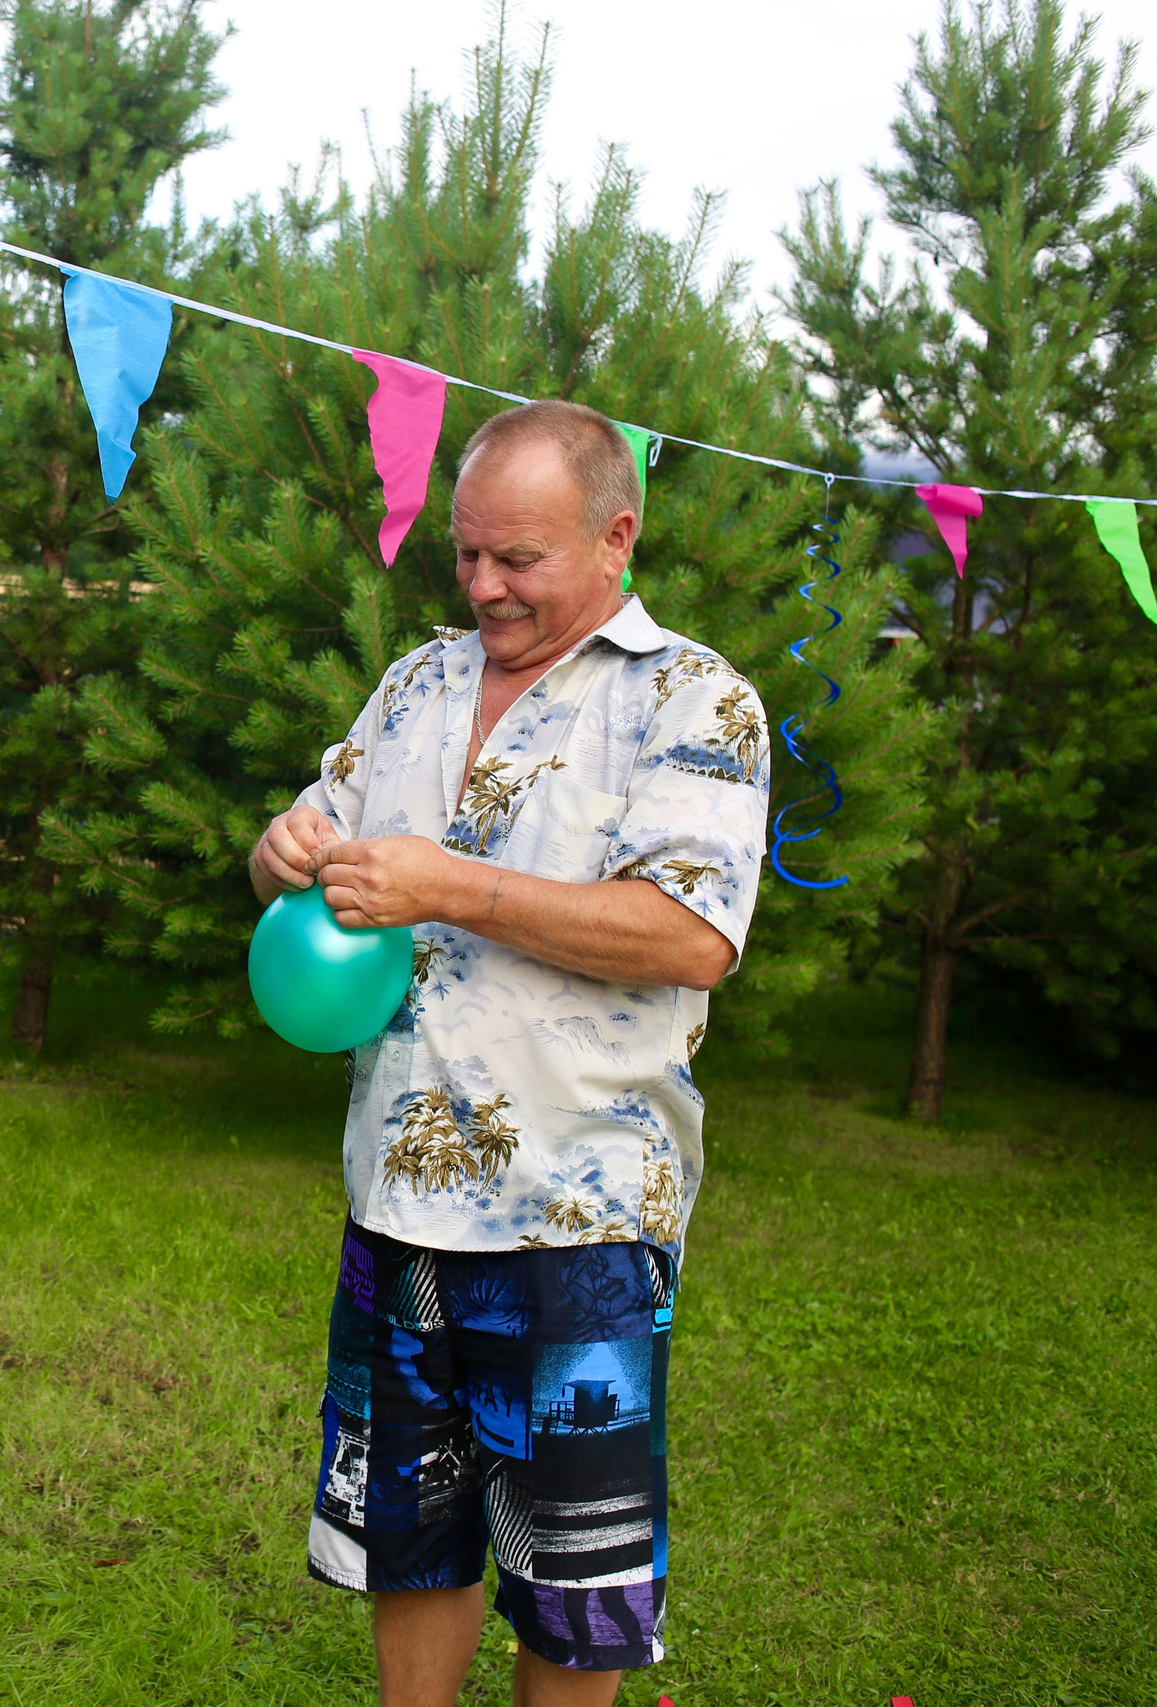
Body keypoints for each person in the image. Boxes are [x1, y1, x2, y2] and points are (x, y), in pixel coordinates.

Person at [248, 401, 769, 1707]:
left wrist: (450, 884)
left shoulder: (691, 698)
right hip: (398, 1203)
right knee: (406, 1539)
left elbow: (690, 933)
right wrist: (281, 854)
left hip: (577, 1216)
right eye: (468, 552)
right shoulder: (417, 681)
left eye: (518, 559)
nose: (482, 583)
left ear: (617, 537)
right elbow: (307, 841)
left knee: (572, 1588)